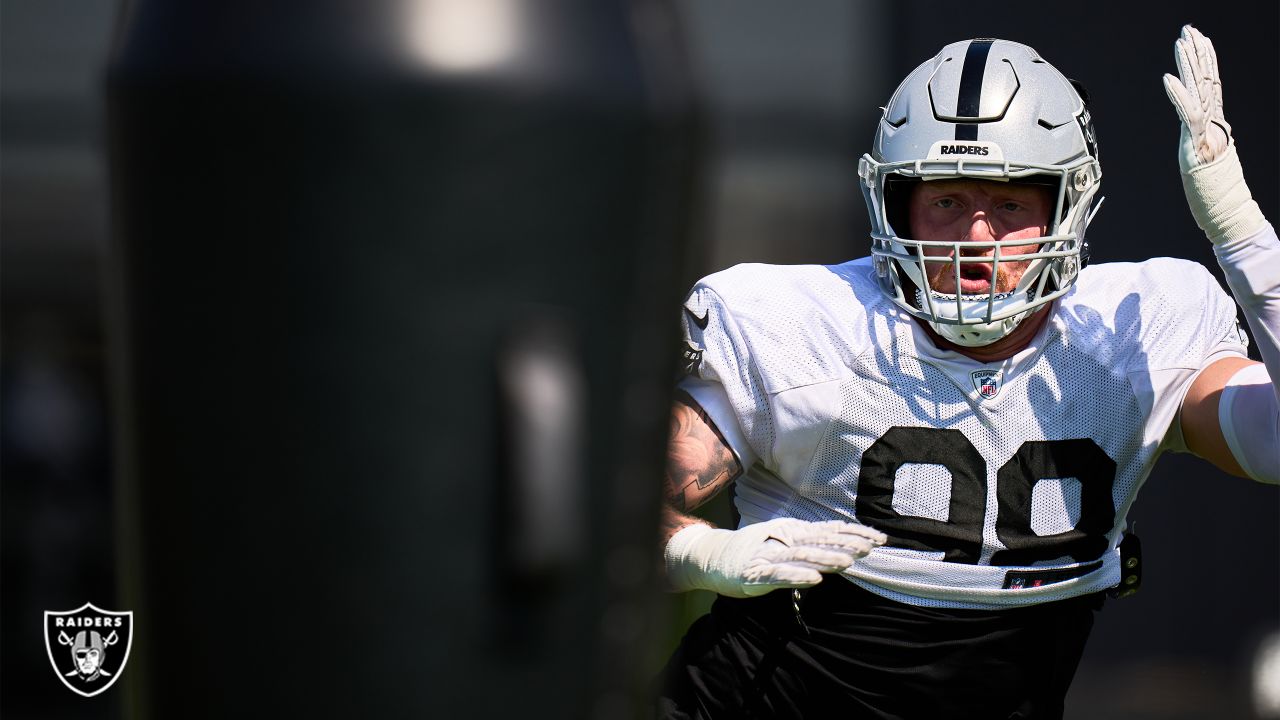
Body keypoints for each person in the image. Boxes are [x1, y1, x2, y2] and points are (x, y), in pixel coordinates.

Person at [656, 26, 1278, 719]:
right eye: (948, 201)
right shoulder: (806, 330)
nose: (976, 238)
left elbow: (1274, 445)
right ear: (894, 203)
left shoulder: (1136, 332)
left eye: (1009, 204)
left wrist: (1245, 240)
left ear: (1066, 208)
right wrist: (698, 549)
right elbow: (613, 504)